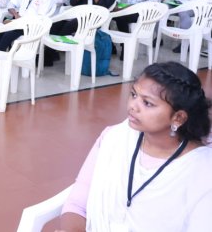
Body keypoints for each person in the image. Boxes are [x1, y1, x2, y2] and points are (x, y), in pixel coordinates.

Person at [46, 62, 212, 232]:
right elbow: (77, 205)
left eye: (147, 103)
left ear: (178, 118)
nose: (133, 105)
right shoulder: (115, 138)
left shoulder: (202, 171)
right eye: (133, 94)